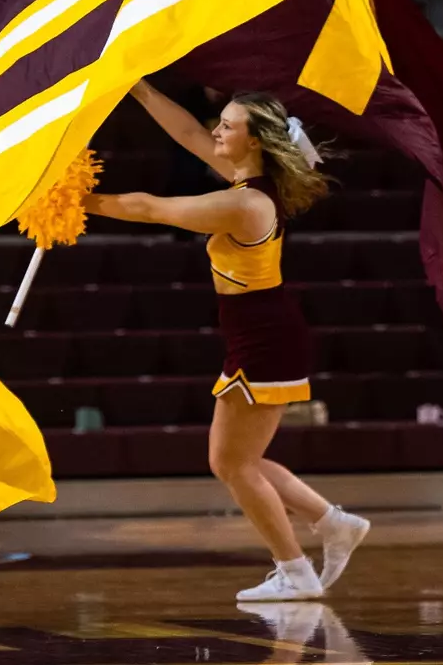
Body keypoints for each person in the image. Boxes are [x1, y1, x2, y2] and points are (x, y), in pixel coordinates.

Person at [85, 83, 370, 602]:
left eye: (228, 126)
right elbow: (188, 132)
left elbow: (149, 209)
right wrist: (139, 88)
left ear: (254, 140)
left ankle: (296, 572)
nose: (215, 131)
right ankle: (332, 523)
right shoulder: (249, 181)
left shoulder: (244, 204)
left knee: (232, 464)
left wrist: (74, 202)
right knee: (239, 459)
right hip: (262, 334)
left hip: (265, 341)